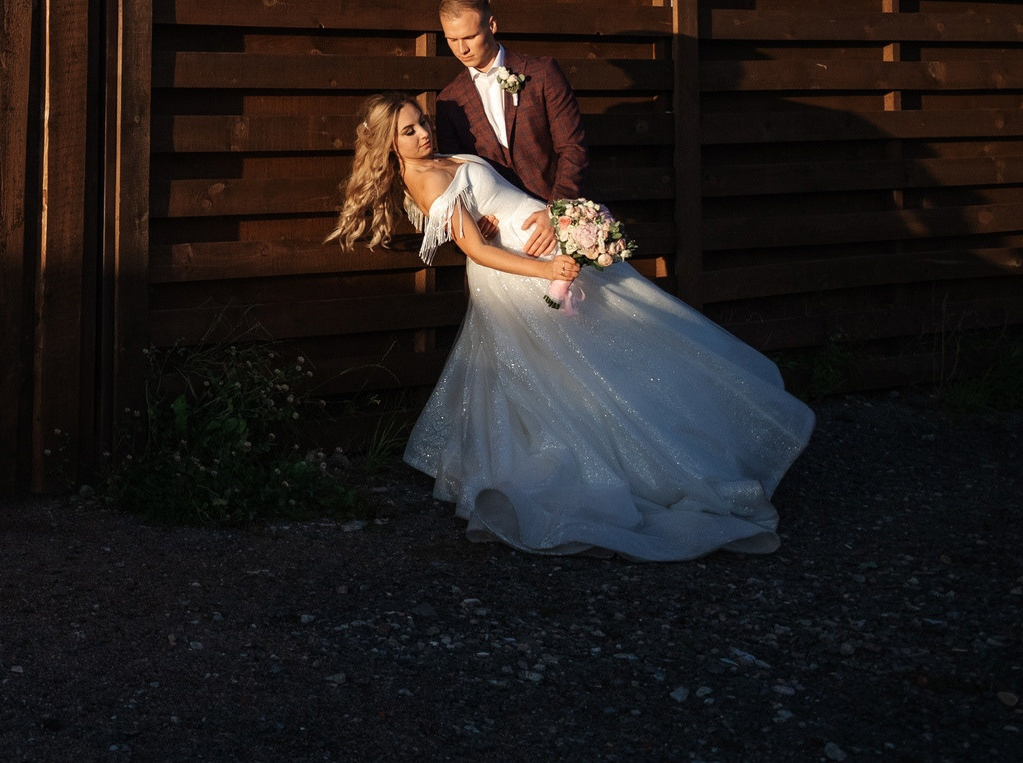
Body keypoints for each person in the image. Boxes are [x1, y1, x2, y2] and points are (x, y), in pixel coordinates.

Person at [331, 93, 815, 560]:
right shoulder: (426, 180)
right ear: (388, 143)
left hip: (543, 246)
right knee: (572, 375)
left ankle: (691, 446)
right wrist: (547, 270)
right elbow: (475, 250)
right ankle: (623, 469)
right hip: (521, 273)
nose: (422, 133)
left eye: (422, 121)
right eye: (408, 130)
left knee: (625, 345)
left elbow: (486, 209)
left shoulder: (442, 160)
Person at [430, 0, 578, 259]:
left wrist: (556, 211)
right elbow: (457, 172)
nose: (461, 48)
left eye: (470, 37)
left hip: (556, 227)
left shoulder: (542, 74)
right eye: (452, 39)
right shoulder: (448, 101)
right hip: (498, 239)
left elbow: (573, 149)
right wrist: (478, 216)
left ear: (492, 25)